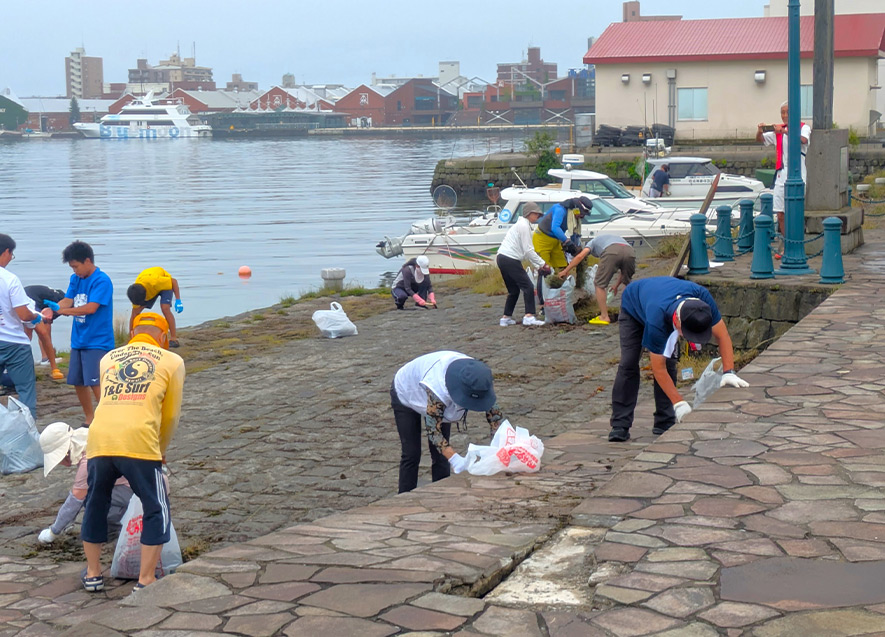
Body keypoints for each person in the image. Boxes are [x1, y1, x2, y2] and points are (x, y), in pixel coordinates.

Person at [80, 312, 185, 593]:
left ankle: (92, 573)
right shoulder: (172, 361)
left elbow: (107, 400)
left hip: (100, 439)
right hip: (139, 440)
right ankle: (146, 578)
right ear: (162, 337)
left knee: (96, 503)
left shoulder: (108, 358)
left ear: (131, 334)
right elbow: (170, 416)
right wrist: (160, 450)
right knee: (156, 507)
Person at [608, 276, 749, 443]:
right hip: (634, 305)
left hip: (663, 297)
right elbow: (657, 368)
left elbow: (723, 335)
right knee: (629, 363)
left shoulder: (703, 301)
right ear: (677, 321)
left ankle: (664, 422)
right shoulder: (657, 319)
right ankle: (620, 425)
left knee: (670, 362)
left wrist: (728, 372)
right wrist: (679, 403)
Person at [391, 351, 502, 493]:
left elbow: (495, 417)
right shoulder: (438, 387)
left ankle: (442, 494)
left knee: (440, 456)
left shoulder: (479, 379)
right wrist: (455, 458)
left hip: (437, 397)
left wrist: (498, 448)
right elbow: (434, 431)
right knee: (411, 453)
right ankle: (404, 498)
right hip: (406, 392)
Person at [44, 241, 115, 426]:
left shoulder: (102, 281)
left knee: (96, 382)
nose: (75, 271)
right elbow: (68, 300)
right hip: (79, 340)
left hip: (98, 341)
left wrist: (63, 312)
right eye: (72, 267)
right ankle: (89, 417)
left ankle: (108, 418)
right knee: (78, 381)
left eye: (76, 266)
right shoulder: (75, 279)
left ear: (87, 261)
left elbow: (91, 308)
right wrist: (52, 309)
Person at [37, 422, 133, 545]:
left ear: (65, 452)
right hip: (144, 482)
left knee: (91, 499)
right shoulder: (89, 437)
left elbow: (74, 501)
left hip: (136, 491)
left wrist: (53, 531)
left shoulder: (88, 462)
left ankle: (117, 529)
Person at [0, 234, 45, 419]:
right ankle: (28, 433)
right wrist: (38, 315)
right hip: (14, 343)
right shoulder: (10, 279)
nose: (11, 258)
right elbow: (24, 314)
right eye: (12, 254)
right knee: (26, 390)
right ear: (6, 252)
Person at [756, 101, 811, 238]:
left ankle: (797, 239)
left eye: (787, 112)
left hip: (798, 172)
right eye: (782, 112)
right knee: (780, 213)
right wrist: (759, 130)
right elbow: (760, 139)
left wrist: (785, 132)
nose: (785, 115)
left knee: (795, 210)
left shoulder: (803, 127)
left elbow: (803, 140)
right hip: (781, 173)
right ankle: (786, 241)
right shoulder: (778, 131)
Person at [497, 202, 550, 327]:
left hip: (501, 257)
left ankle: (506, 318)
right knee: (528, 287)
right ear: (529, 214)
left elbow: (526, 252)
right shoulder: (523, 226)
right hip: (510, 259)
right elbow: (528, 250)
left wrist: (537, 266)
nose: (538, 217)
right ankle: (529, 316)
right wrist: (543, 264)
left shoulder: (520, 225)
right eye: (536, 214)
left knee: (514, 290)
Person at [532, 196, 594, 271]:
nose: (582, 216)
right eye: (582, 213)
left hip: (556, 241)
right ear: (576, 209)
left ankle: (558, 282)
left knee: (562, 268)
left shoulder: (572, 217)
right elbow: (555, 228)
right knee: (544, 269)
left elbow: (574, 233)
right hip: (542, 239)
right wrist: (567, 241)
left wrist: (575, 247)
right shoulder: (560, 210)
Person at [585, 234, 636, 326]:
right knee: (627, 282)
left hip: (611, 252)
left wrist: (565, 271)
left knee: (599, 284)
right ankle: (626, 314)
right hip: (630, 251)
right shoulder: (612, 238)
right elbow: (624, 273)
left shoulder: (591, 243)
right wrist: (616, 286)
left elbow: (580, 256)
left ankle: (604, 316)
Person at [127, 268, 183, 348]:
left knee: (165, 308)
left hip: (163, 285)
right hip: (148, 288)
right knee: (135, 312)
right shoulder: (135, 292)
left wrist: (178, 300)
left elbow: (173, 281)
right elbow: (134, 314)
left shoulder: (156, 281)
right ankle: (132, 337)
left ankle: (173, 338)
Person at [24, 285, 66, 380]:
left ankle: (23, 360)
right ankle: (46, 358)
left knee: (27, 334)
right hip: (31, 302)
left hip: (25, 297)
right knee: (44, 331)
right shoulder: (61, 300)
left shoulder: (56, 295)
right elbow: (48, 320)